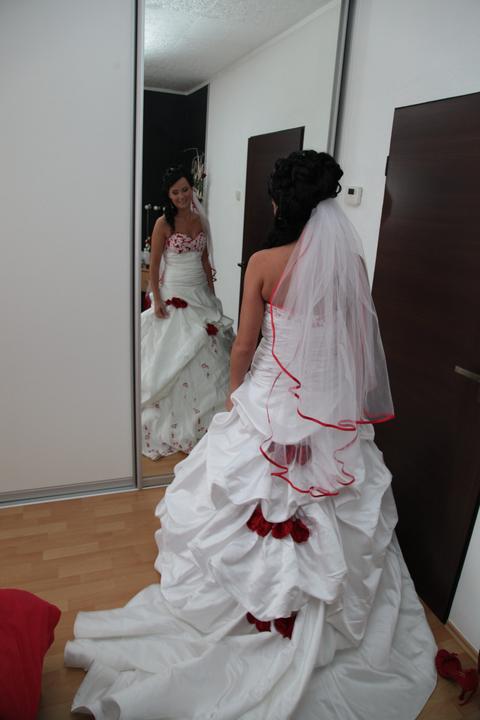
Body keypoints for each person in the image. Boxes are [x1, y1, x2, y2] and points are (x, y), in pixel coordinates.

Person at [65, 151, 437, 719]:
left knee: (242, 491)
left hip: (271, 395)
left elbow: (244, 344)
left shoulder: (265, 262)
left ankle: (244, 599)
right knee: (338, 502)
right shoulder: (351, 263)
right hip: (328, 401)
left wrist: (236, 396)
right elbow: (351, 339)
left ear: (282, 203)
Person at [141, 165, 233, 458]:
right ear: (168, 195)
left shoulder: (201, 220)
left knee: (212, 347)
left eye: (185, 189)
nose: (181, 196)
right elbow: (155, 265)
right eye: (175, 192)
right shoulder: (163, 224)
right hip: (175, 291)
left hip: (200, 294)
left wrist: (213, 296)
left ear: (192, 189)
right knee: (175, 349)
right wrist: (157, 299)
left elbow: (205, 261)